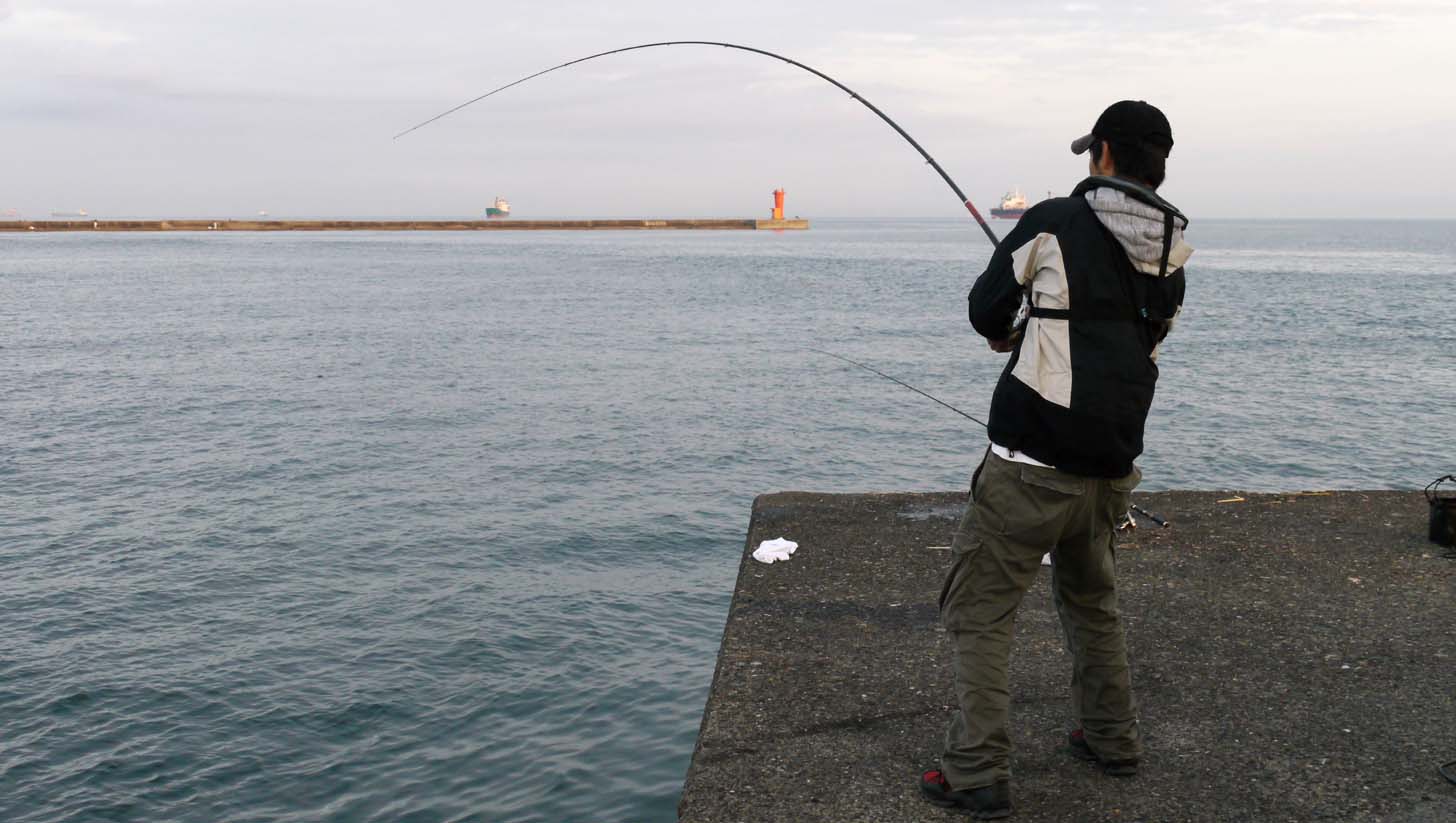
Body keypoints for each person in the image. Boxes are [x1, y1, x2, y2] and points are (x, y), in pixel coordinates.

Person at [918, 100, 1192, 819]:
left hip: (1030, 464)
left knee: (980, 611)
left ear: (1104, 154)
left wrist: (1013, 331)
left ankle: (976, 770)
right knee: (1092, 602)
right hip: (1111, 465)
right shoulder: (1171, 253)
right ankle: (1112, 738)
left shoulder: (1053, 220)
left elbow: (986, 310)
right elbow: (1134, 343)